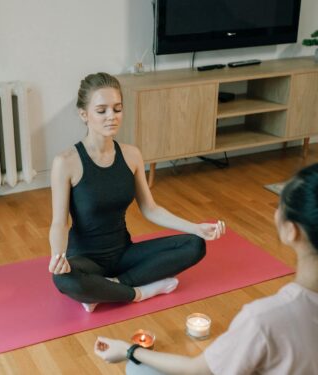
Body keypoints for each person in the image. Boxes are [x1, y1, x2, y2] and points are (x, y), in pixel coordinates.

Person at [94, 163, 318, 375]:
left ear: (292, 232)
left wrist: (129, 351)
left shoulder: (265, 319)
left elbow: (198, 370)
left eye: (279, 206)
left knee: (139, 371)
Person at [49, 72, 225, 313]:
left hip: (124, 253)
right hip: (86, 260)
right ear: (84, 114)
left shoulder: (131, 155)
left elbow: (150, 209)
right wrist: (57, 256)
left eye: (117, 109)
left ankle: (112, 287)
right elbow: (59, 223)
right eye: (101, 111)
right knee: (63, 279)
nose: (112, 116)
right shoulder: (66, 162)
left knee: (195, 245)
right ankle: (140, 292)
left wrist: (196, 227)